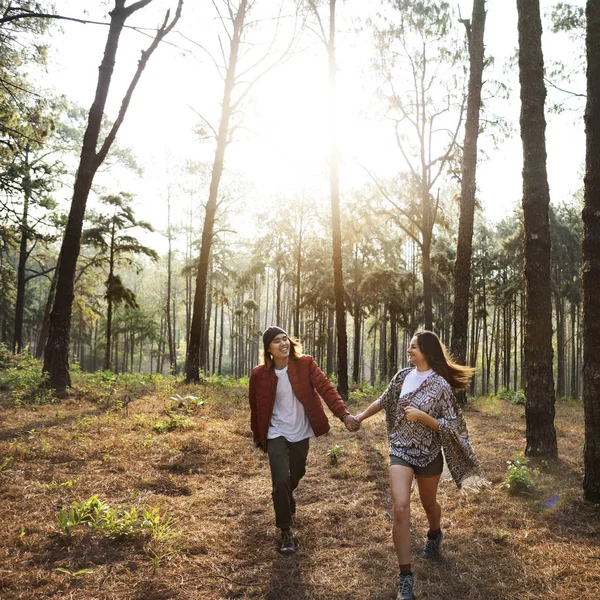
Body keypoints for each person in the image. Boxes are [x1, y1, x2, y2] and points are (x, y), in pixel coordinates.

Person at [353, 330, 485, 600]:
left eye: (414, 347)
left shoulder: (441, 386)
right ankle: (405, 578)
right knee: (400, 508)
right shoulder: (402, 377)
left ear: (427, 351)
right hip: (400, 449)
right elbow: (384, 400)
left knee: (428, 504)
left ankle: (435, 534)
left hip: (429, 454)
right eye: (409, 346)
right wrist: (360, 417)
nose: (409, 350)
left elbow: (454, 426)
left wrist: (426, 418)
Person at [249, 326, 359, 555]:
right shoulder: (259, 374)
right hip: (275, 432)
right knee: (280, 480)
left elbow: (326, 388)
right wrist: (258, 436)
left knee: (296, 474)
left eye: (285, 339)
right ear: (268, 349)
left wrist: (344, 415)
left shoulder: (306, 364)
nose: (283, 344)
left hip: (300, 430)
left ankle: (288, 495)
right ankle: (286, 531)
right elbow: (255, 407)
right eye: (277, 341)